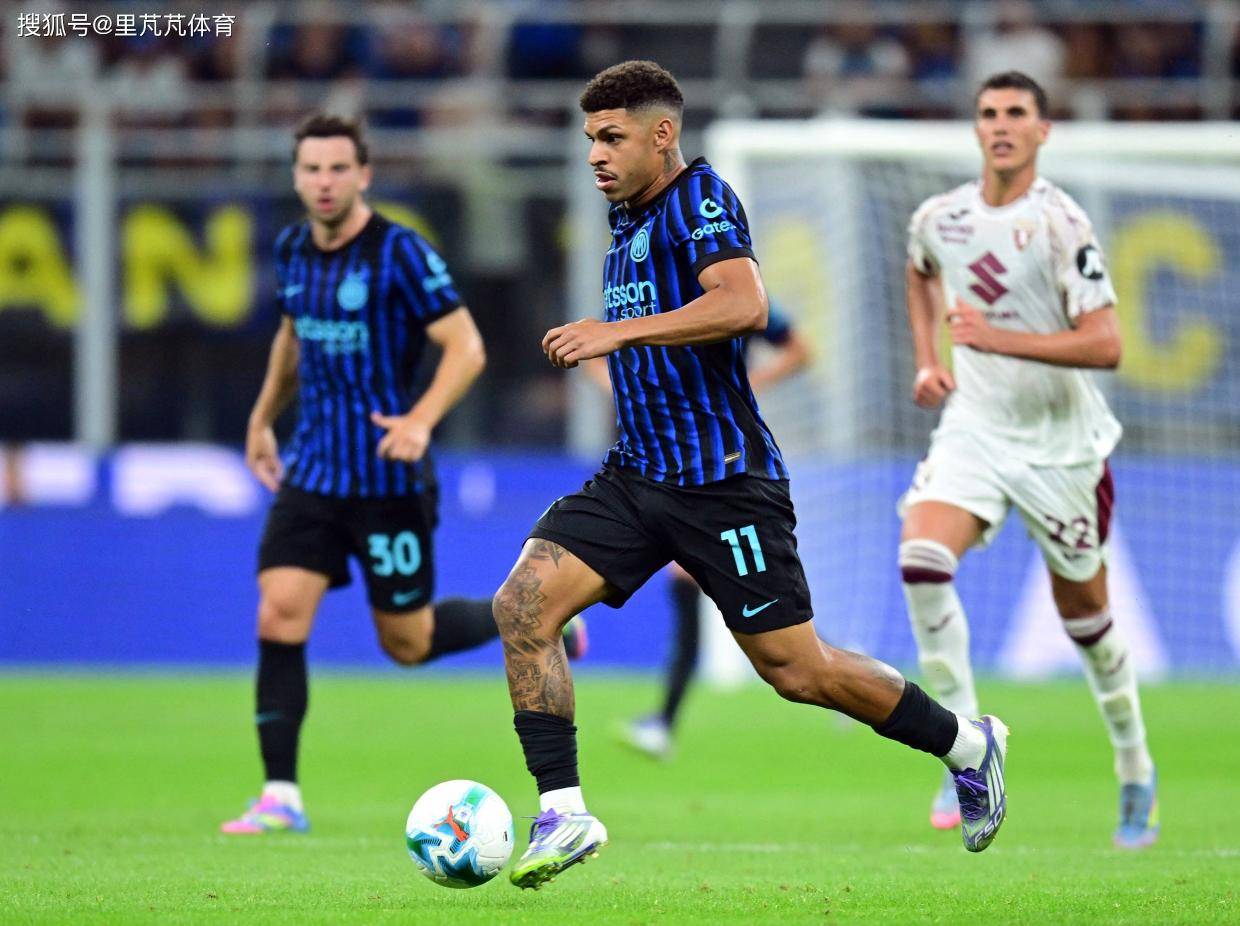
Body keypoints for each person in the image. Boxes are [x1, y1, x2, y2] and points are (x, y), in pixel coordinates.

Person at [492, 60, 1010, 890]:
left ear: (663, 134)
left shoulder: (700, 199)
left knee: (798, 671)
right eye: (590, 139)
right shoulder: (628, 218)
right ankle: (563, 811)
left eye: (612, 137)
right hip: (636, 476)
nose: (595, 154)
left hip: (723, 483)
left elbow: (745, 305)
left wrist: (617, 334)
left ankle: (966, 745)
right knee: (522, 605)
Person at [221, 114, 583, 835]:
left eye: (337, 168)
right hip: (313, 474)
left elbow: (466, 347)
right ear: (297, 177)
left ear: (363, 175)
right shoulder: (291, 250)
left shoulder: (400, 253)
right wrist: (262, 418)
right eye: (311, 169)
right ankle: (280, 796)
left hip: (389, 480)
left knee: (407, 644)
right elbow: (292, 338)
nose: (324, 182)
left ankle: (534, 622)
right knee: (278, 611)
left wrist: (420, 419)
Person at [899, 71, 1157, 849]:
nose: (1001, 124)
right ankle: (964, 751)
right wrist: (927, 358)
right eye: (989, 113)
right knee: (920, 561)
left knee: (1089, 624)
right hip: (975, 428)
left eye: (1017, 113)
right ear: (976, 129)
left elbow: (1107, 344)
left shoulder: (1061, 224)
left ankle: (1135, 762)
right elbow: (919, 271)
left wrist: (996, 339)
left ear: (1043, 131)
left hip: (1061, 448)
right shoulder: (939, 217)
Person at [619, 307, 812, 759]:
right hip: (674, 466)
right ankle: (664, 722)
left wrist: (753, 382)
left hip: (725, 469)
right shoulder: (652, 296)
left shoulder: (739, 300)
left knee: (768, 620)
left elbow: (799, 349)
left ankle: (664, 723)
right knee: (725, 598)